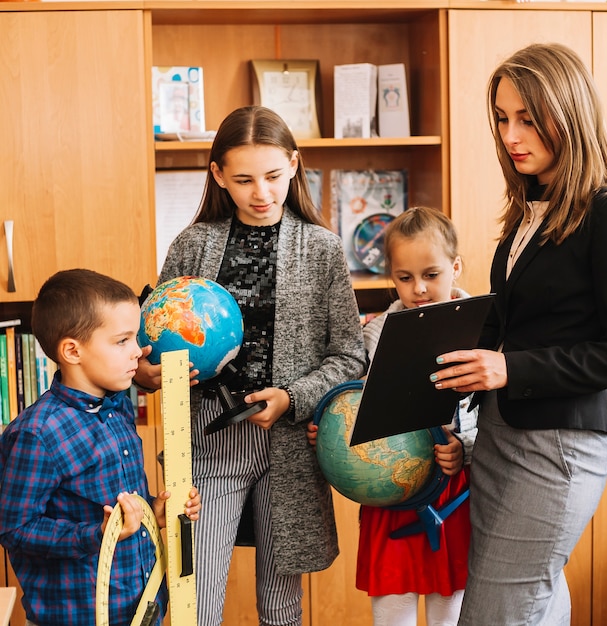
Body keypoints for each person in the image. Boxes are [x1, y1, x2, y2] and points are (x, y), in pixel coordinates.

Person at [134, 105, 367, 626]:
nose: (260, 192)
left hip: (289, 442)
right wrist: (148, 374)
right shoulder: (192, 246)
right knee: (195, 594)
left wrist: (293, 397)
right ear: (217, 174)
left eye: (273, 176)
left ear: (294, 165)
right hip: (211, 437)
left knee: (282, 605)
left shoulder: (323, 249)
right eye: (243, 179)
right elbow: (154, 338)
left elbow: (351, 356)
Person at [430, 43, 607, 625]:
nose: (512, 135)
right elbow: (502, 325)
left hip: (557, 451)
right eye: (501, 118)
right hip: (497, 441)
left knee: (493, 614)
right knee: (533, 610)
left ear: (567, 113)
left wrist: (511, 367)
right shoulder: (526, 212)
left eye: (528, 118)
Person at [0, 268, 201, 626]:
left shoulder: (119, 405)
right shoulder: (37, 433)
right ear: (73, 351)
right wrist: (96, 535)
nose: (138, 351)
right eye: (122, 340)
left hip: (140, 609)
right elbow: (15, 529)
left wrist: (152, 515)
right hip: (78, 616)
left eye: (135, 338)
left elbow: (123, 498)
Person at [308, 206, 478, 626]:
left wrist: (465, 449)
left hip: (454, 486)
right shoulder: (374, 333)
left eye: (431, 274)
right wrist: (332, 427)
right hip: (390, 486)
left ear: (455, 267)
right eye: (404, 277)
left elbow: (490, 407)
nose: (418, 288)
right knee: (392, 596)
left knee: (450, 600)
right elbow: (354, 398)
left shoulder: (483, 326)